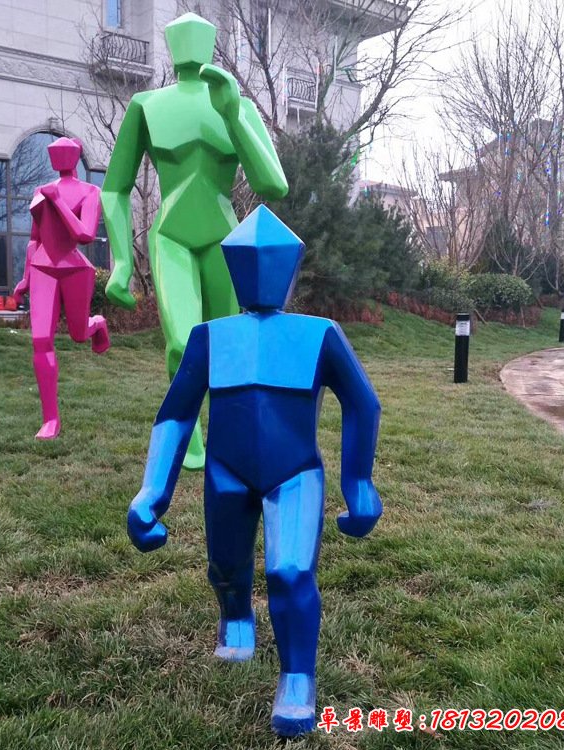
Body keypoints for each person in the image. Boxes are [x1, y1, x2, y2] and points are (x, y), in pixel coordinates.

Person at [126, 206, 382, 736]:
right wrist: (153, 488)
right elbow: (176, 414)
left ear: (290, 268)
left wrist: (358, 482)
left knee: (291, 571)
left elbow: (362, 402)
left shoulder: (319, 335)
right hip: (227, 471)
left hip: (296, 474)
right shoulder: (211, 337)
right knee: (225, 565)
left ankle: (297, 677)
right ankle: (236, 614)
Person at [101, 12, 288, 469]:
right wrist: (121, 260)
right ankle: (191, 436)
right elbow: (114, 188)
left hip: (224, 238)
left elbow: (273, 184)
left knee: (230, 345)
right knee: (183, 344)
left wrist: (232, 116)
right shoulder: (147, 105)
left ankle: (227, 432)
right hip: (173, 236)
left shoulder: (237, 104)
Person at [13, 137, 110, 439]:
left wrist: (57, 201)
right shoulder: (40, 191)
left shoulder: (90, 192)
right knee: (41, 340)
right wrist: (26, 277)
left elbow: (85, 234)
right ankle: (50, 419)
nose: (59, 159)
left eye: (64, 154)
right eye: (54, 154)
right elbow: (34, 239)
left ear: (75, 156)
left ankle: (98, 324)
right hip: (43, 268)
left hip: (75, 268)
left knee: (79, 334)